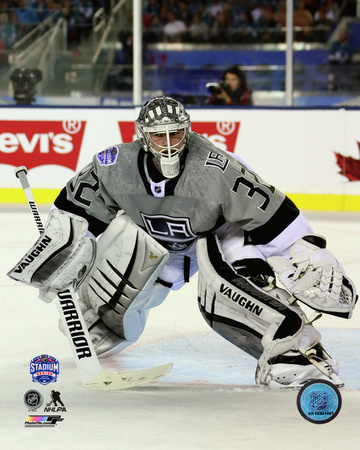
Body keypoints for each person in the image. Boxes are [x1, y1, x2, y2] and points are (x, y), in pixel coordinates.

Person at [8, 96, 357, 389]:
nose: (170, 142)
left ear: (187, 130)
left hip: (219, 237)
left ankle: (295, 352)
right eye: (160, 136)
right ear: (143, 136)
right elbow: (75, 214)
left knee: (235, 294)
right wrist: (60, 252)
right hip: (157, 244)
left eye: (176, 133)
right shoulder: (114, 165)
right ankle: (103, 318)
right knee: (100, 321)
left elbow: (270, 213)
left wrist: (307, 251)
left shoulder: (216, 168)